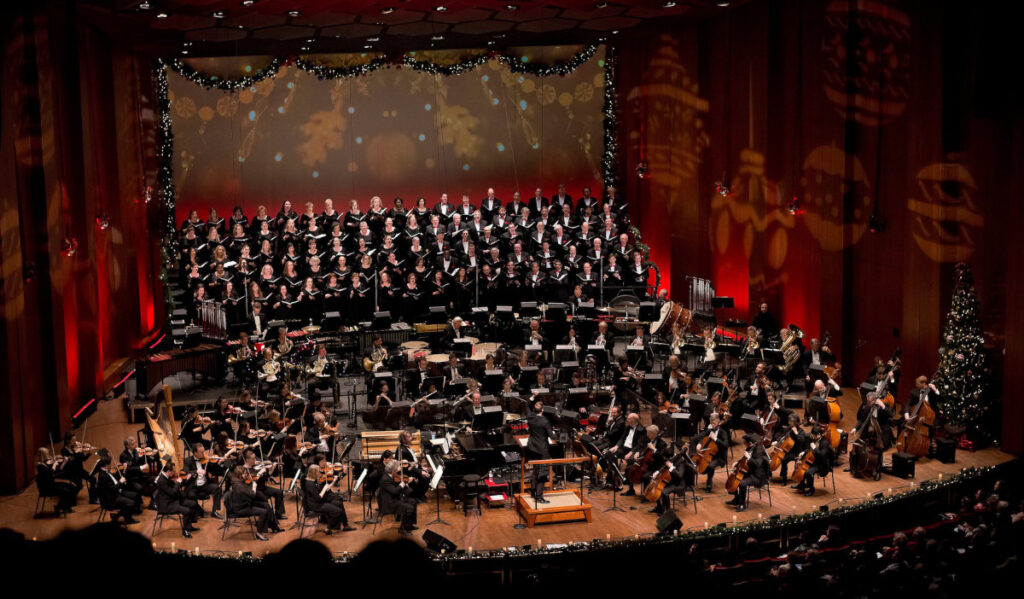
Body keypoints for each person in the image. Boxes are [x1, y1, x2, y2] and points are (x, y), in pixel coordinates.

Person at [301, 465, 355, 534]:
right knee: (337, 511)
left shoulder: (312, 480)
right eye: (318, 472)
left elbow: (320, 491)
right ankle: (328, 528)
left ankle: (345, 525)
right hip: (316, 505)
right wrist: (324, 489)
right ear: (314, 473)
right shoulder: (310, 484)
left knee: (339, 503)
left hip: (317, 502)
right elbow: (318, 498)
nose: (319, 473)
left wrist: (330, 484)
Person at [155, 463, 202, 538]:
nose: (174, 472)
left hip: (173, 500)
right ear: (168, 471)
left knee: (193, 503)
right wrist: (177, 483)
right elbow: (172, 492)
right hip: (167, 504)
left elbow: (176, 487)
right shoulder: (161, 481)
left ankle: (189, 526)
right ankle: (185, 531)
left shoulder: (167, 477)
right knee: (187, 511)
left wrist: (186, 479)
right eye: (173, 471)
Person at [229, 466, 275, 541]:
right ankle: (259, 534)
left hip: (245, 504)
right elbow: (252, 495)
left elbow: (247, 493)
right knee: (264, 512)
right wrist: (254, 486)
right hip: (242, 508)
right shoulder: (238, 485)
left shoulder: (238, 482)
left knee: (265, 505)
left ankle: (265, 530)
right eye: (244, 474)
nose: (246, 475)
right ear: (239, 475)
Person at [726, 434, 769, 512]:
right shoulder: (750, 448)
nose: (744, 444)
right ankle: (737, 499)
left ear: (750, 443)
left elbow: (757, 464)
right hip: (750, 471)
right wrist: (737, 463)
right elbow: (743, 459)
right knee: (734, 479)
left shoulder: (759, 451)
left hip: (758, 476)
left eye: (745, 443)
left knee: (742, 483)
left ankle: (742, 504)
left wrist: (749, 458)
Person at [95, 455, 141, 524]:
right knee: (130, 503)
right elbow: (113, 489)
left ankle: (117, 516)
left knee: (135, 495)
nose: (111, 465)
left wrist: (123, 471)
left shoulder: (106, 471)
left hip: (115, 493)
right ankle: (128, 519)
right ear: (106, 465)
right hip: (110, 499)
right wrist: (120, 482)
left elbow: (113, 479)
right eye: (110, 463)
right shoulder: (103, 476)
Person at [791, 426, 835, 496]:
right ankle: (802, 484)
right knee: (800, 463)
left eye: (814, 435)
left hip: (823, 464)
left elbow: (822, 455)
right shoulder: (814, 439)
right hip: (815, 461)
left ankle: (811, 489)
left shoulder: (825, 443)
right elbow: (809, 450)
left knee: (808, 472)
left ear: (819, 435)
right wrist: (803, 453)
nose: (812, 436)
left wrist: (814, 448)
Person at [525, 400, 553, 504]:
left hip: (532, 447)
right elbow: (551, 436)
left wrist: (532, 397)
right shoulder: (545, 421)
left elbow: (526, 405)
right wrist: (557, 436)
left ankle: (533, 492)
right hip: (542, 449)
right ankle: (539, 496)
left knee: (536, 470)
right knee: (544, 471)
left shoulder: (530, 417)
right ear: (543, 410)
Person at [379, 460, 418, 535]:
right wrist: (402, 484)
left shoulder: (391, 475)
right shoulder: (385, 479)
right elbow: (394, 491)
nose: (400, 467)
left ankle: (409, 525)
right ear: (393, 470)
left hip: (395, 498)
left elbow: (396, 487)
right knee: (409, 508)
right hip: (390, 503)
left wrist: (405, 484)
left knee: (413, 501)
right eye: (398, 466)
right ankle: (402, 529)